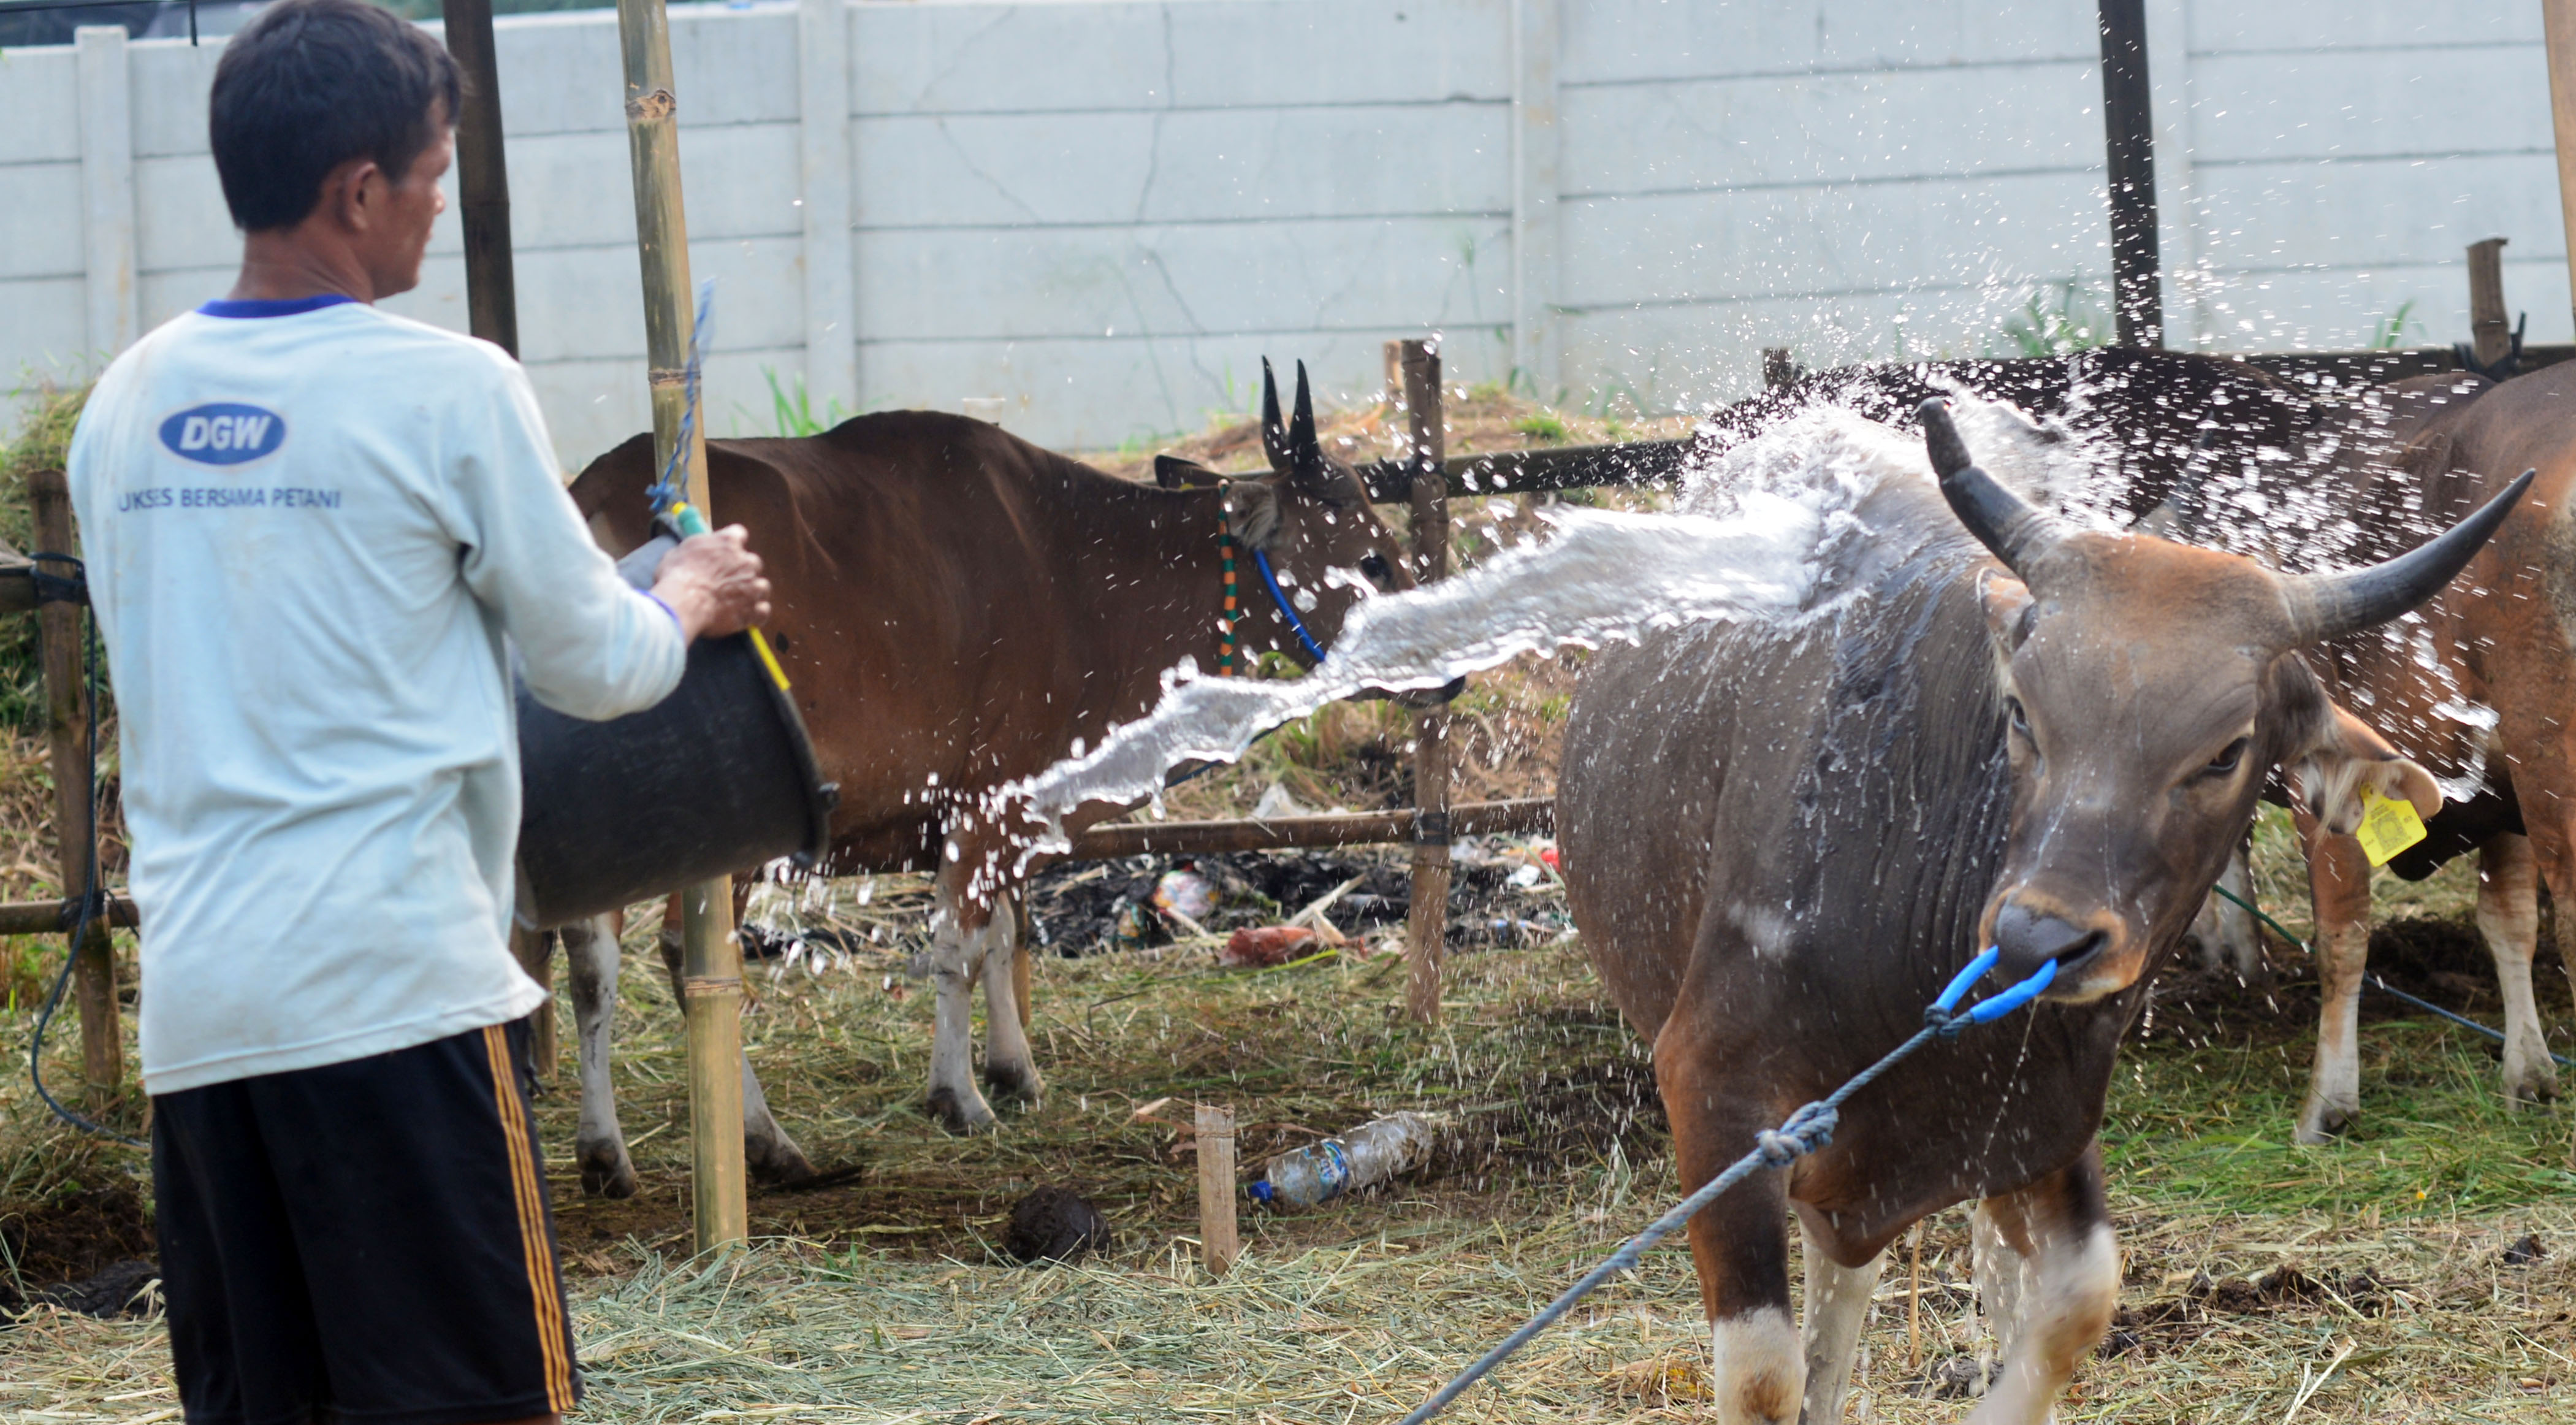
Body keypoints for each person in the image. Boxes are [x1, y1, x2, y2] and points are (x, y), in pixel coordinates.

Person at [63, 2, 771, 1419]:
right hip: (396, 1003)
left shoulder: (123, 408)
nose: (441, 207)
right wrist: (687, 594)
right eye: (433, 176)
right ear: (359, 190)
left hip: (204, 1023)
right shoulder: (448, 389)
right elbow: (593, 667)